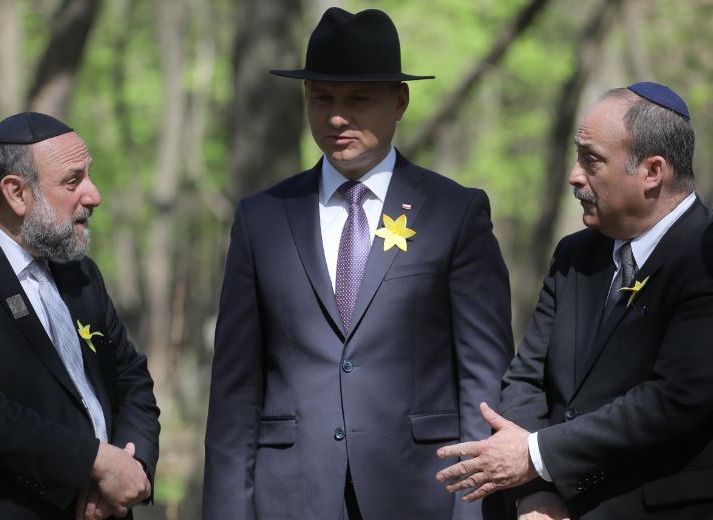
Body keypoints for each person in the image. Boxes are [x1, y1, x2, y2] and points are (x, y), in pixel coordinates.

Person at [202, 7, 513, 520]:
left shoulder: (454, 213)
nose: (336, 118)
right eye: (321, 98)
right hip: (291, 500)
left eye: (357, 99)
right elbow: (234, 392)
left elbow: (484, 382)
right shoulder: (262, 218)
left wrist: (474, 511)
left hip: (420, 497)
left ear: (400, 101)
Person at [435, 82, 713, 519]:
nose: (574, 175)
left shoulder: (704, 258)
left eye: (591, 160)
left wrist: (536, 456)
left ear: (652, 171)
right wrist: (535, 493)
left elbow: (675, 399)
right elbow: (526, 380)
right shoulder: (575, 255)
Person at [0, 112, 161, 520]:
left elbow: (131, 377)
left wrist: (133, 465)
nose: (94, 195)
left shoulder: (80, 273)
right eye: (72, 181)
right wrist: (94, 462)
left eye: (89, 175)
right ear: (16, 193)